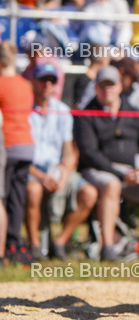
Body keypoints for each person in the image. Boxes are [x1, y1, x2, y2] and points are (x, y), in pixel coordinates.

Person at [74, 65, 139, 261]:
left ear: (120, 87)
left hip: (135, 172)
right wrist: (120, 174)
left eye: (111, 85)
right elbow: (90, 154)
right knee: (111, 184)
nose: (107, 90)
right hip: (101, 171)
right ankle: (108, 247)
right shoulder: (87, 115)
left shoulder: (134, 113)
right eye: (102, 86)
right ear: (95, 88)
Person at [25, 63, 98, 260]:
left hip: (57, 169)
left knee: (89, 193)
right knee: (33, 190)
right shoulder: (24, 109)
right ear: (34, 82)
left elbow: (69, 150)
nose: (47, 85)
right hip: (30, 170)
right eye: (43, 80)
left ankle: (60, 243)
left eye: (52, 80)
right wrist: (41, 176)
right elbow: (22, 155)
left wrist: (64, 173)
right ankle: (35, 246)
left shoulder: (62, 111)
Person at [1, 41, 35, 261]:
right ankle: (14, 244)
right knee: (17, 198)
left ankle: (3, 248)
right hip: (27, 145)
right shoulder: (25, 84)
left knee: (2, 199)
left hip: (8, 144)